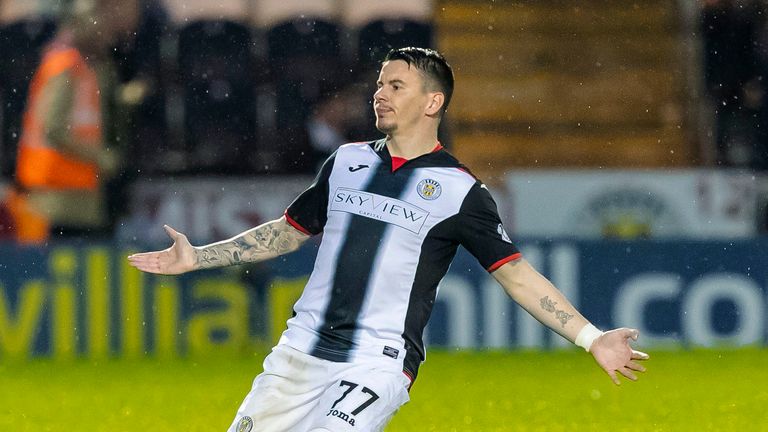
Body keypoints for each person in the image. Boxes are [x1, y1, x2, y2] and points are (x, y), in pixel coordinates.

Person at [128, 47, 649, 432]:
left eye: (396, 85)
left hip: (377, 362)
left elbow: (514, 274)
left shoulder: (459, 191)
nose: (380, 93)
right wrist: (199, 257)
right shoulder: (348, 161)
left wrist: (590, 336)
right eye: (380, 84)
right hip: (298, 352)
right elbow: (289, 233)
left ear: (432, 101)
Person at [10, 0, 136, 242]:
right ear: (76, 25)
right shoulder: (65, 66)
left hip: (79, 193)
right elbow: (53, 128)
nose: (103, 27)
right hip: (56, 197)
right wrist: (101, 157)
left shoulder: (91, 67)